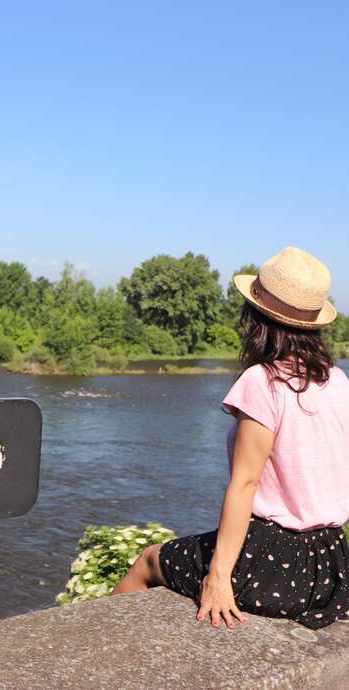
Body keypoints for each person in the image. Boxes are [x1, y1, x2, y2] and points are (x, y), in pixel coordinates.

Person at [111, 246, 349, 630]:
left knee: (148, 561)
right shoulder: (337, 382)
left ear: (255, 317)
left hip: (272, 563)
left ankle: (95, 647)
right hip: (330, 566)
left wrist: (219, 578)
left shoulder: (262, 381)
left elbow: (245, 484)